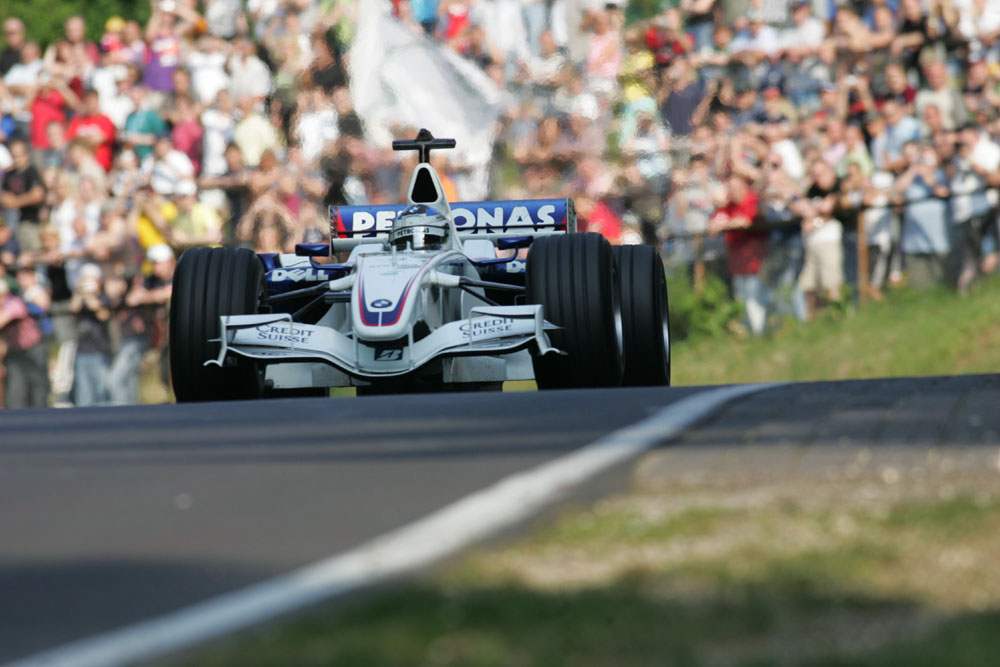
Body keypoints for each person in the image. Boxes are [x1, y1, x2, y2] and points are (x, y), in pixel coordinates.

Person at [709, 174, 769, 335]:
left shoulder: (752, 200)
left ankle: (760, 331)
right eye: (730, 189)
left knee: (755, 296)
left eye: (736, 188)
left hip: (754, 258)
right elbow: (713, 226)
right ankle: (750, 331)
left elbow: (745, 221)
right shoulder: (728, 207)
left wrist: (726, 224)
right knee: (742, 297)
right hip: (737, 260)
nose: (733, 192)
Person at [0, 269, 48, 408]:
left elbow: (3, 319)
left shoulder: (15, 303)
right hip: (15, 352)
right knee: (16, 391)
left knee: (38, 387)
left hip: (33, 348)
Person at [69, 263, 111, 406]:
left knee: (101, 393)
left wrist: (89, 296)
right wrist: (79, 292)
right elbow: (73, 309)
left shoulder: (104, 298)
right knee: (84, 394)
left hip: (99, 352)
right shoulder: (80, 298)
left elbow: (102, 314)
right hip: (82, 352)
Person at [1, 139, 46, 252]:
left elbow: (38, 194)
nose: (17, 160)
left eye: (19, 156)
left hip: (29, 223)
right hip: (11, 224)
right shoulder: (9, 174)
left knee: (33, 253)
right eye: (14, 156)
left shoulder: (31, 171)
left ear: (26, 155)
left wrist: (16, 202)